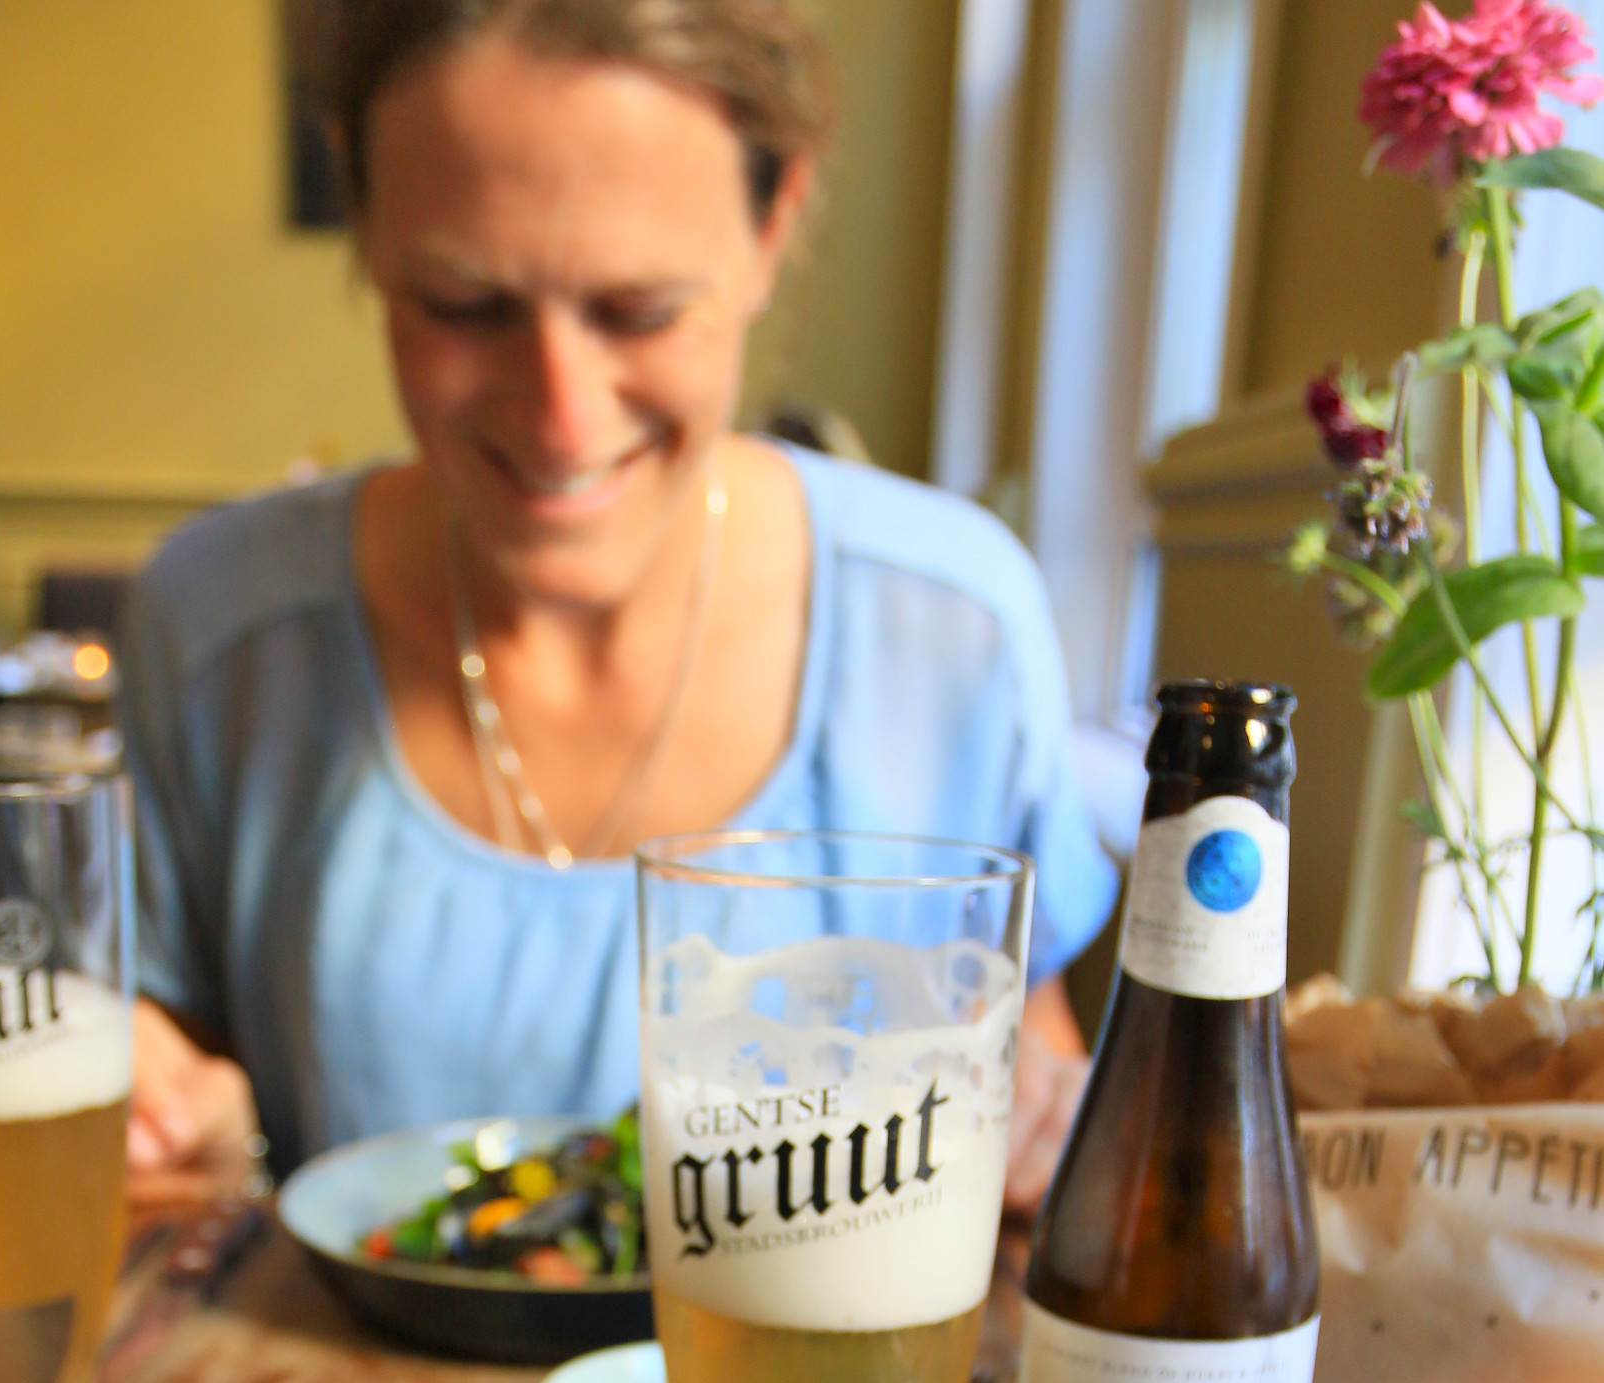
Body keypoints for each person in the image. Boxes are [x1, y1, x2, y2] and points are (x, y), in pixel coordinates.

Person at [121, 0, 1112, 1213]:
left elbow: (1035, 1078)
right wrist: (168, 1118)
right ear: (367, 223)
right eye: (462, 304)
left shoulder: (955, 627)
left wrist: (1050, 1130)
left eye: (639, 311)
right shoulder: (217, 628)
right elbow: (156, 1072)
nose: (561, 418)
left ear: (773, 225)